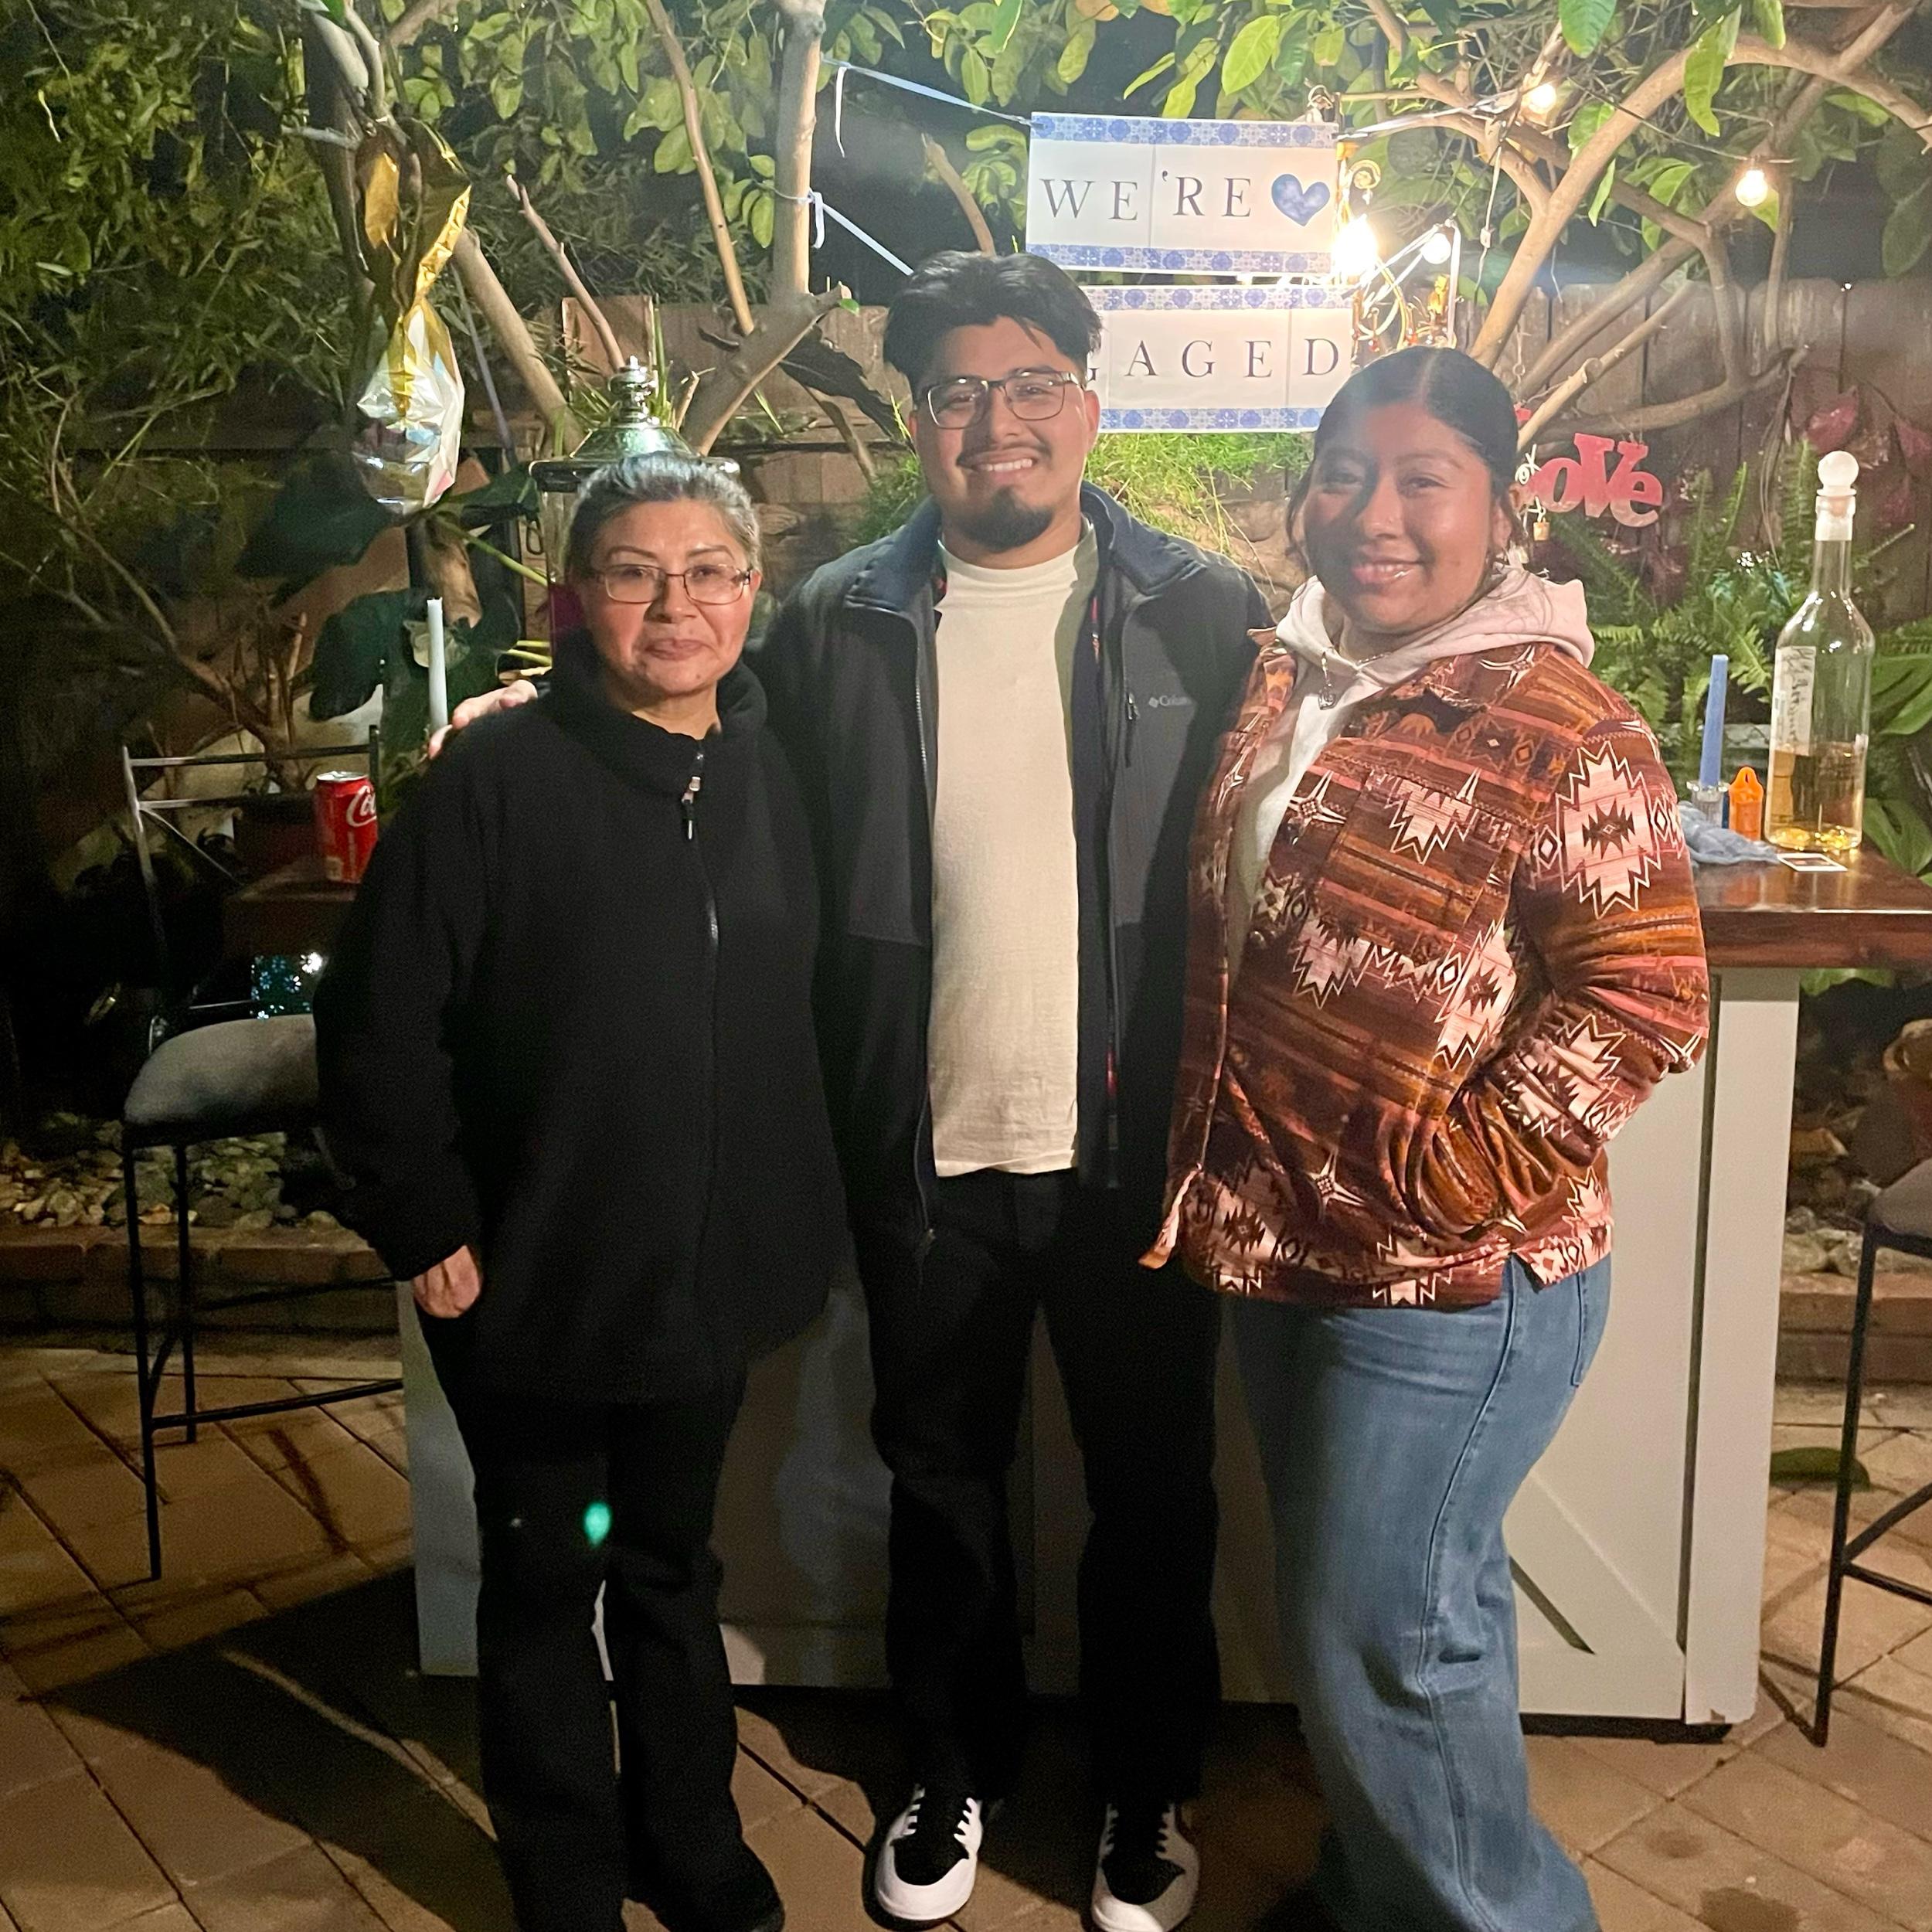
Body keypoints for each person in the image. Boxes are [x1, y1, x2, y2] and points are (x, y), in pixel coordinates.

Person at [447, 252, 1268, 1932]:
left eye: (1029, 383)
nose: (996, 420)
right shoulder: (837, 618)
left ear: (1088, 405)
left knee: (1151, 1488)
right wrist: (545, 708)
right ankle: (952, 1765)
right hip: (918, 1141)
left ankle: (1143, 1788)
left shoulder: (1199, 607)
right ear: (916, 421)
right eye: (957, 391)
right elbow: (700, 723)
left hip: (1134, 1149)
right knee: (940, 1483)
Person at [1148, 346, 1711, 1932]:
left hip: (1454, 1277)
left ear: (1503, 508)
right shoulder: (1297, 671)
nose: (1373, 514)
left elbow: (1645, 991)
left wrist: (1445, 1178)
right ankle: (1385, 1885)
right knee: (1413, 1618)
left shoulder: (1560, 720)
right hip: (1284, 1240)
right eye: (1343, 475)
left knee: (1383, 1633)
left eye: (1422, 480)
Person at [316, 453, 844, 1932]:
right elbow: (377, 1021)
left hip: (703, 1278)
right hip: (536, 1274)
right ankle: (562, 1867)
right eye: (633, 573)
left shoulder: (775, 768)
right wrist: (422, 1218)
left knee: (671, 1564)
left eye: (709, 572)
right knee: (550, 1570)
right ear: (574, 599)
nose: (675, 604)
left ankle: (690, 1838)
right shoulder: (492, 781)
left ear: (752, 591)